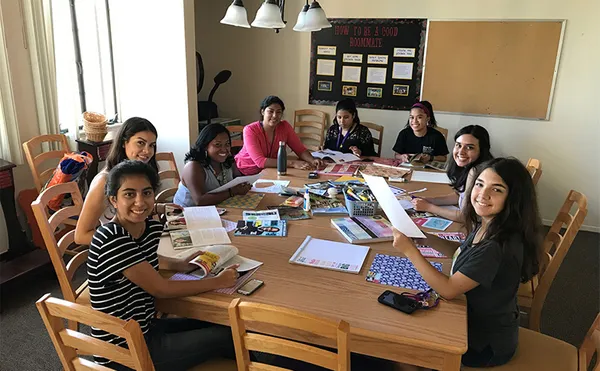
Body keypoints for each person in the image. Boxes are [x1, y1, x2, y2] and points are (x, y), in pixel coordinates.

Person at [87, 160, 239, 370]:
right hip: (124, 351)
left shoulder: (147, 226)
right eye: (129, 194)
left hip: (146, 327)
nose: (140, 202)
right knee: (228, 335)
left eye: (146, 193)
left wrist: (178, 264)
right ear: (113, 200)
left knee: (223, 323)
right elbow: (161, 288)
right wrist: (217, 281)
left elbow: (140, 259)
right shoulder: (111, 237)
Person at [392, 158, 542, 368]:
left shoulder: (495, 246)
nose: (483, 194)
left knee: (401, 349)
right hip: (476, 320)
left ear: (514, 198)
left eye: (497, 189)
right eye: (479, 184)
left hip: (483, 343)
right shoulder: (491, 225)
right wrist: (424, 238)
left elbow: (449, 289)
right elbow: (460, 253)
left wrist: (409, 250)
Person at [75, 117, 179, 246]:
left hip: (142, 238)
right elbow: (81, 236)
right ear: (124, 143)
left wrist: (159, 207)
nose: (147, 151)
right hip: (122, 249)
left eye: (152, 145)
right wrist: (126, 243)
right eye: (140, 143)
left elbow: (132, 209)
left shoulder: (140, 173)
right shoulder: (104, 181)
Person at [411, 125, 493, 221]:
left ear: (482, 150)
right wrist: (430, 200)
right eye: (458, 145)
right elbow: (460, 196)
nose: (461, 152)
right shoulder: (467, 167)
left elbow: (464, 216)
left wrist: (428, 207)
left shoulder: (476, 172)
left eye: (470, 147)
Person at [235, 96, 324, 175]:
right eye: (270, 111)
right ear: (262, 112)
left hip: (270, 170)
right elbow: (260, 162)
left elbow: (300, 150)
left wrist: (312, 160)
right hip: (246, 172)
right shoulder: (250, 130)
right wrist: (293, 163)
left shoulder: (284, 127)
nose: (274, 116)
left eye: (278, 112)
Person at [174, 123, 251, 207]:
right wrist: (232, 192)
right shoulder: (193, 166)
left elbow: (238, 180)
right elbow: (199, 200)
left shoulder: (227, 161)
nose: (224, 149)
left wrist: (244, 185)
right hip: (186, 213)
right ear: (205, 146)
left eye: (227, 144)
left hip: (216, 209)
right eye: (217, 144)